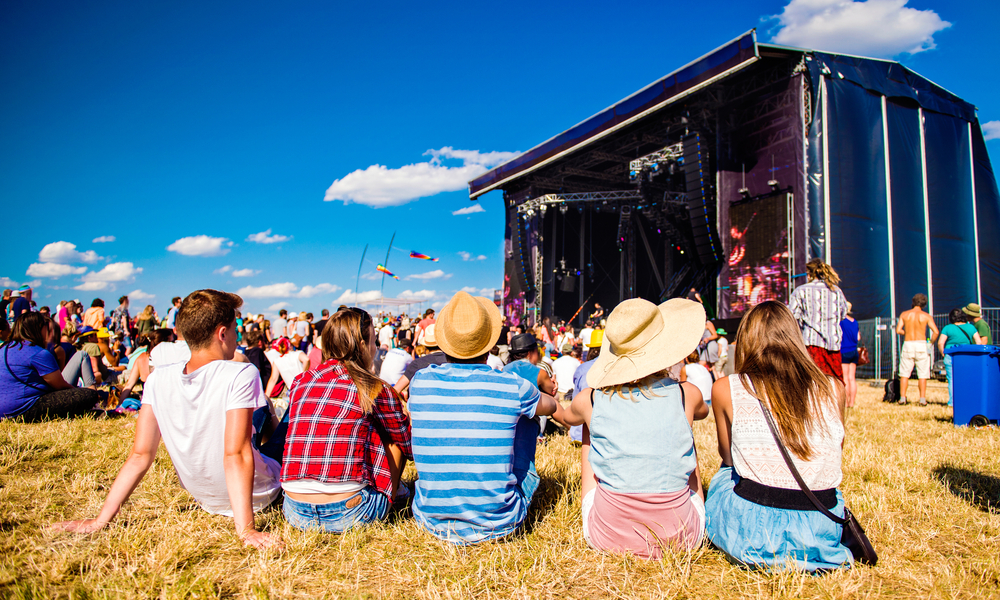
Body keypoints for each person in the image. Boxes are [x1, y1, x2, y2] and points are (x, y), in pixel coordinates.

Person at [52, 290, 284, 549]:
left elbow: (140, 456)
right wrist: (247, 530)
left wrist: (100, 520)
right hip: (258, 494)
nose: (236, 337)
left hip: (207, 498)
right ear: (222, 334)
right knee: (285, 415)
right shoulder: (241, 373)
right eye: (234, 330)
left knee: (260, 411)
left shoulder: (158, 378)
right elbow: (236, 454)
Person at [408, 292, 564, 544]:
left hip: (431, 519)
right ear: (489, 345)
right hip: (500, 522)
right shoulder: (511, 385)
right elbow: (549, 406)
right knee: (528, 415)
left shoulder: (420, 381)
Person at [705, 301, 850, 571]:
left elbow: (728, 458)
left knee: (724, 475)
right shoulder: (833, 387)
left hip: (754, 529)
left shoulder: (726, 388)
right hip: (821, 519)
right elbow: (836, 450)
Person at [560, 298, 709, 558]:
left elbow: (566, 418)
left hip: (607, 535)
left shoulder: (590, 399)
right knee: (685, 426)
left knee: (588, 425)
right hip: (684, 536)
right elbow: (703, 413)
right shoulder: (688, 394)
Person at [281, 307, 411, 533]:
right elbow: (405, 443)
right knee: (393, 436)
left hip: (294, 510)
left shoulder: (301, 381)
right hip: (353, 512)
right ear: (362, 345)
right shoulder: (374, 387)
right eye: (372, 341)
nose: (375, 348)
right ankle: (395, 492)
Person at [1, 312, 100, 420]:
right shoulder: (37, 353)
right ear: (38, 328)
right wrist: (81, 393)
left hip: (3, 411)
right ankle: (93, 406)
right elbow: (60, 385)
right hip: (25, 409)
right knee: (89, 395)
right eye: (45, 325)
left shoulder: (3, 349)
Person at [788, 258, 848, 383]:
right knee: (836, 381)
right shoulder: (836, 291)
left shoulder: (801, 290)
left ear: (809, 274)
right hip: (833, 345)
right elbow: (843, 314)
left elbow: (792, 316)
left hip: (811, 342)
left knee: (812, 381)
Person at [895, 293, 939, 406]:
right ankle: (922, 399)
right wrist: (931, 342)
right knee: (923, 374)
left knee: (904, 373)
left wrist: (907, 332)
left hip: (908, 343)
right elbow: (936, 331)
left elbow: (898, 330)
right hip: (921, 344)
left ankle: (902, 398)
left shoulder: (905, 314)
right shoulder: (926, 316)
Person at [938, 308, 983, 407]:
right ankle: (967, 399)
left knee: (951, 380)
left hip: (950, 354)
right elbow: (979, 342)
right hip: (966, 355)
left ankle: (952, 402)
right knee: (966, 378)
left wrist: (943, 353)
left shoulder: (947, 328)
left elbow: (940, 342)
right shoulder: (971, 327)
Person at [393, 325, 446, 398]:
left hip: (421, 406)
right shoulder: (453, 362)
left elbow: (395, 390)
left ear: (425, 346)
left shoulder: (417, 364)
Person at [839, 303, 860, 411]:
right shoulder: (854, 322)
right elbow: (858, 337)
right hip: (854, 351)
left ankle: (846, 403)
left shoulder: (841, 322)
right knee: (852, 378)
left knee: (845, 378)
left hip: (844, 350)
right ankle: (852, 402)